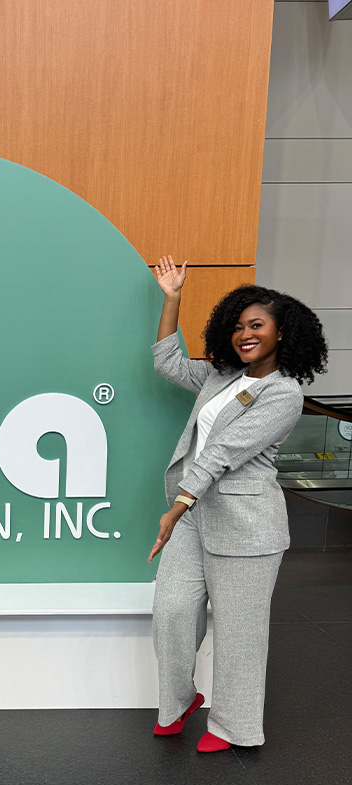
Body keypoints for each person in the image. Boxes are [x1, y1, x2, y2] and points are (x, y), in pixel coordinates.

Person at [148, 256, 328, 752]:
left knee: (240, 633)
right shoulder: (221, 376)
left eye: (256, 325)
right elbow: (166, 362)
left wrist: (176, 505)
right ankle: (179, 700)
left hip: (246, 525)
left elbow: (223, 453)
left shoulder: (283, 393)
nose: (244, 334)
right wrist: (173, 298)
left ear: (282, 333)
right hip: (193, 516)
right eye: (238, 326)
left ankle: (233, 725)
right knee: (172, 611)